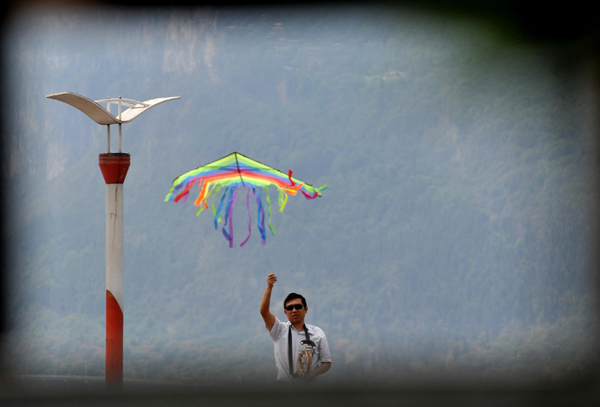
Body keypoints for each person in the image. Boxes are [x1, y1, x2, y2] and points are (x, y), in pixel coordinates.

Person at [260, 273, 332, 385]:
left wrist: (315, 372)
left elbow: (326, 362)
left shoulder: (318, 333)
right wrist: (269, 287)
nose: (294, 310)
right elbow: (264, 312)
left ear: (306, 309)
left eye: (298, 306)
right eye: (290, 308)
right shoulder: (279, 329)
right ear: (285, 312)